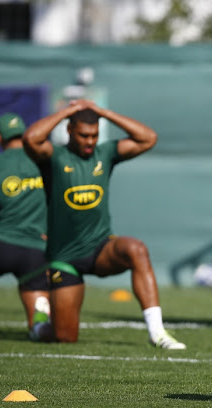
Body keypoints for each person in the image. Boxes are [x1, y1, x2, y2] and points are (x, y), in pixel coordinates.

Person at [22, 99, 185, 349]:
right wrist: (68, 111)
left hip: (100, 249)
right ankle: (40, 325)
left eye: (94, 135)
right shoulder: (55, 156)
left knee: (136, 249)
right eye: (84, 135)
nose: (90, 141)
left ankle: (158, 333)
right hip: (64, 258)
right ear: (69, 130)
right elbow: (31, 138)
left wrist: (103, 112)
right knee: (64, 337)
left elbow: (148, 138)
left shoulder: (105, 152)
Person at [0, 113, 52, 340]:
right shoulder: (43, 162)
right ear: (26, 134)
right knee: (39, 320)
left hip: (1, 249)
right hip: (37, 253)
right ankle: (39, 322)